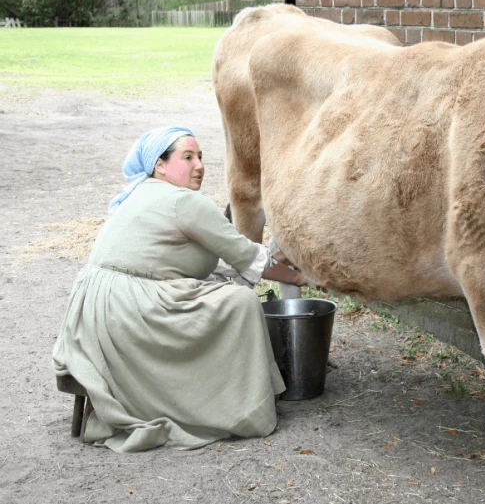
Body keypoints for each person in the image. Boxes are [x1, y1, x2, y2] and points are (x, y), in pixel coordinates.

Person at [53, 126, 305, 453]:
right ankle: (237, 406)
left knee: (216, 288)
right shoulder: (184, 202)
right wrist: (302, 278)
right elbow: (245, 256)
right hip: (129, 310)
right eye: (187, 157)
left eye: (200, 157)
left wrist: (273, 258)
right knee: (240, 302)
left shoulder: (142, 193)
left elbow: (222, 262)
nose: (199, 165)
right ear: (160, 164)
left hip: (92, 307)